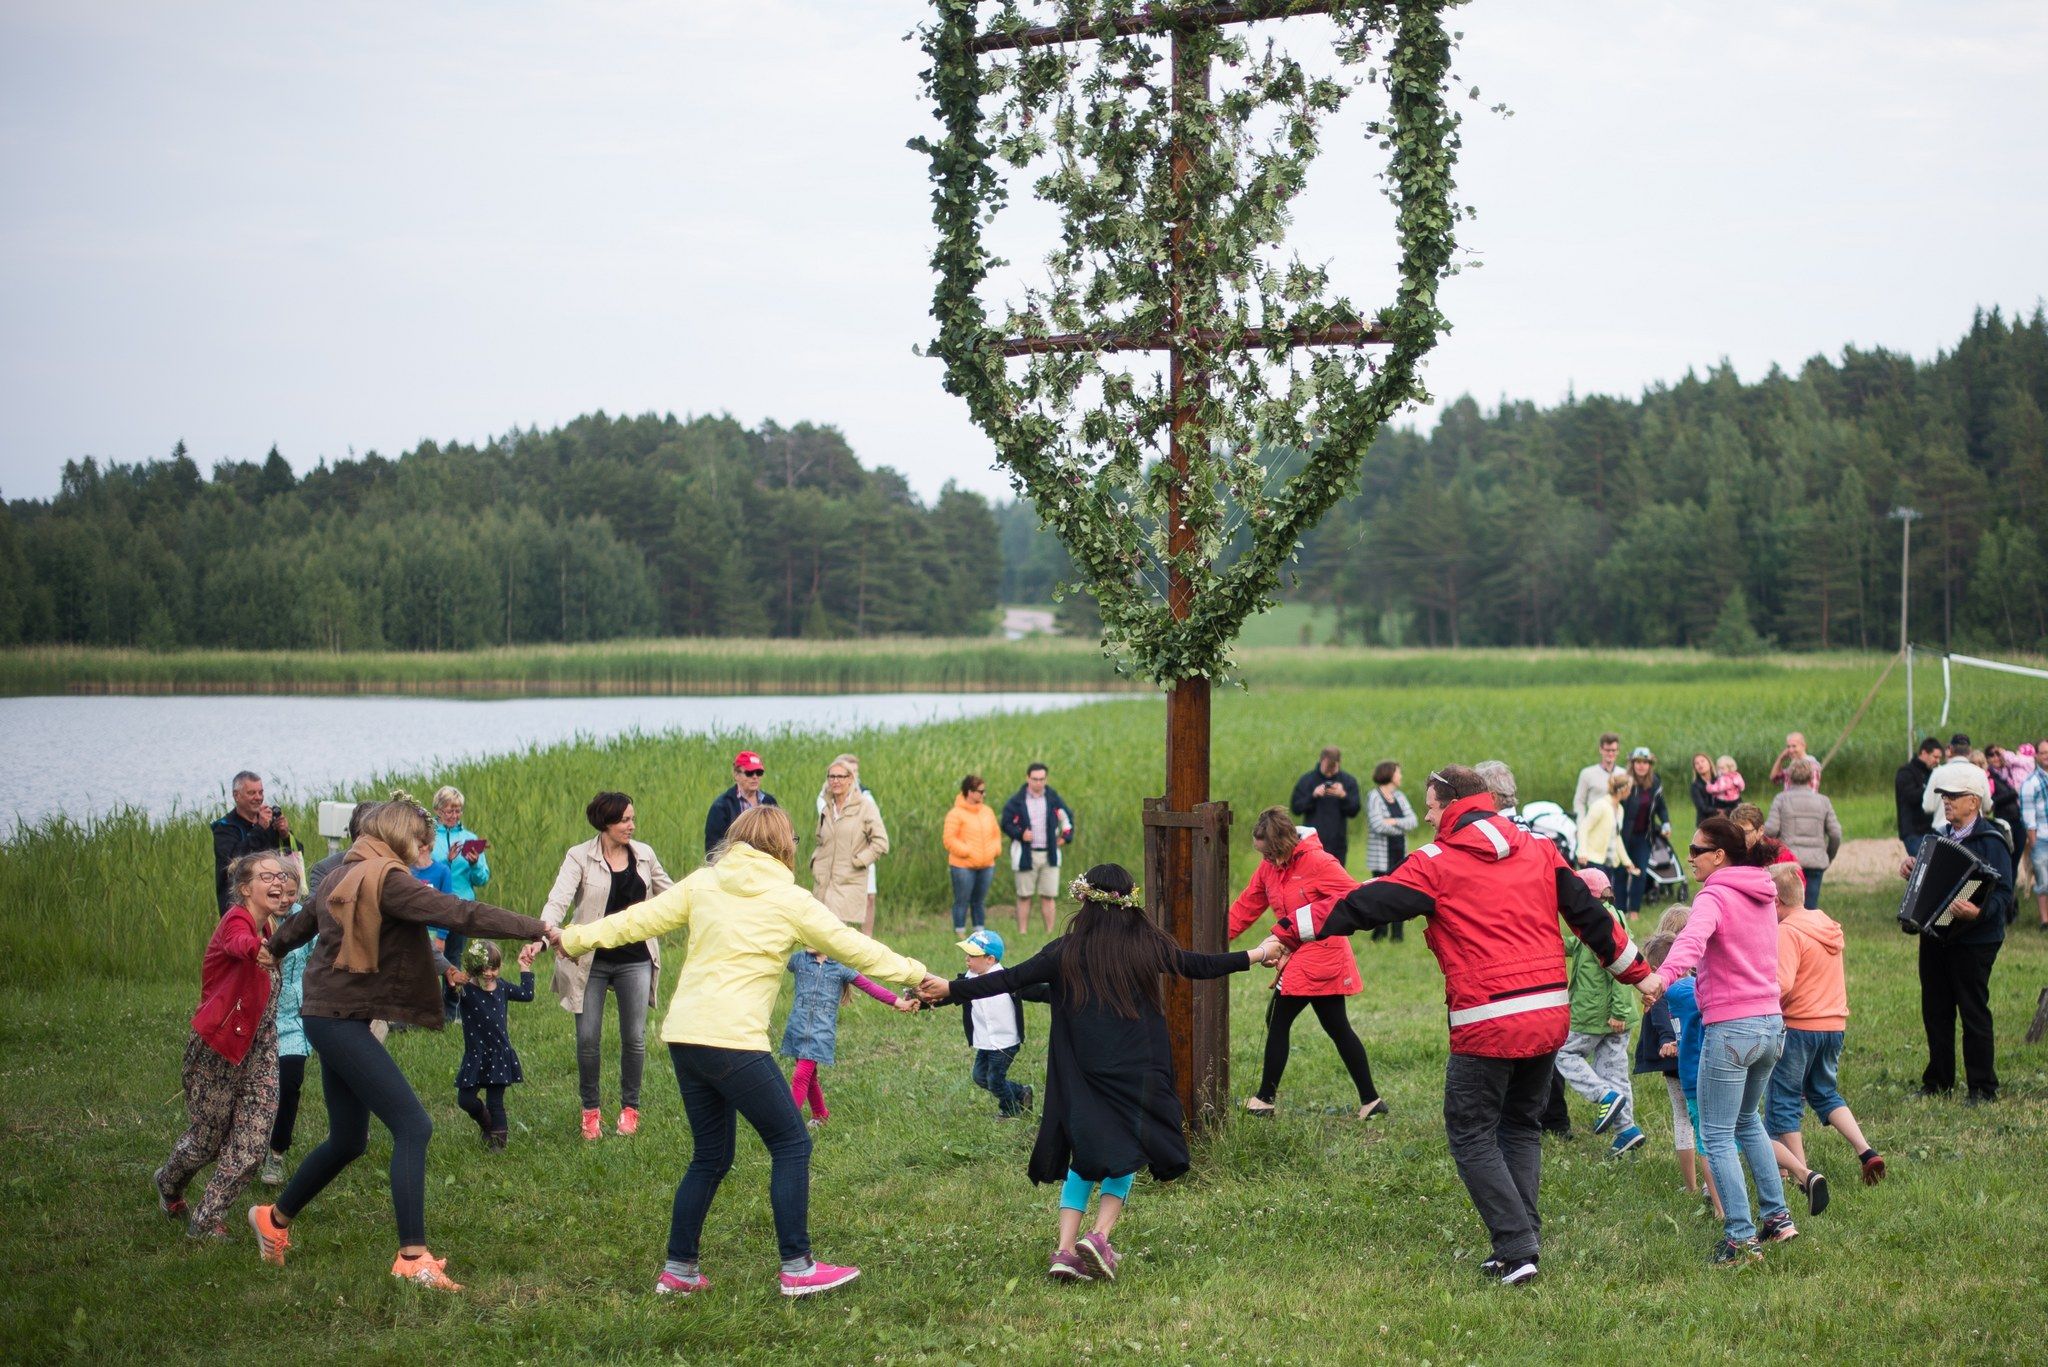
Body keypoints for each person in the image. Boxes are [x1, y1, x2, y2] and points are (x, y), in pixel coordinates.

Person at [1274, 766, 1651, 1287]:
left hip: (1488, 1019)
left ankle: (1518, 1248)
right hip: (1546, 1016)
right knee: (1520, 1126)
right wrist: (1641, 976)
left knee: (1471, 1132)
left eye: (1430, 807)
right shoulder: (1540, 848)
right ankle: (1521, 1244)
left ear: (1452, 805)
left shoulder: (1436, 863)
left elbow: (1365, 903)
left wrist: (1292, 930)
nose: (1426, 817)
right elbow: (1591, 917)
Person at [556, 805, 929, 1298]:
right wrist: (915, 972)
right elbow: (852, 946)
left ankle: (680, 1270)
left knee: (710, 1156)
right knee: (792, 1143)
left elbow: (635, 921)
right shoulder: (789, 899)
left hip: (687, 1039)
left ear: (737, 839)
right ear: (784, 846)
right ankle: (797, 1268)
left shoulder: (702, 883)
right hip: (732, 1043)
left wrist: (574, 937)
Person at [921, 864, 1285, 1283]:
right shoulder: (1147, 944)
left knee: (1085, 1152)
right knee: (1128, 1147)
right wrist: (1258, 953)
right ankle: (1099, 1237)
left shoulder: (1065, 949)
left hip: (1082, 1071)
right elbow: (1198, 965)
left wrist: (950, 990)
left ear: (1085, 903)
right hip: (1137, 1068)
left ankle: (1063, 1250)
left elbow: (1009, 979)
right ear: (1130, 902)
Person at [250, 795, 555, 1293]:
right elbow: (462, 913)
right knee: (414, 1125)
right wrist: (539, 927)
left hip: (328, 1015)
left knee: (349, 1140)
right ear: (399, 837)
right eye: (421, 843)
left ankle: (272, 1219)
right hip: (338, 1021)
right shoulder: (387, 881)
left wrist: (273, 947)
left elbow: (302, 920)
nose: (424, 853)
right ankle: (413, 1258)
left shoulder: (343, 872)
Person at [1640, 816, 1797, 1265]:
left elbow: (1689, 942)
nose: (1687, 858)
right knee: (1748, 1121)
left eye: (1695, 850)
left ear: (1719, 856)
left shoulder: (1714, 895)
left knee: (1716, 1133)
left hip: (1732, 1029)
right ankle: (1778, 1218)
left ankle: (1741, 1237)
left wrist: (1661, 979)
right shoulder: (1762, 892)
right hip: (1770, 1025)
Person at [155, 851, 293, 1238]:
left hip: (261, 1050)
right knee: (206, 1142)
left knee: (251, 1147)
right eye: (266, 876)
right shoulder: (237, 921)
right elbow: (237, 943)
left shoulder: (270, 929)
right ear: (245, 888)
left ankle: (204, 1220)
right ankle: (168, 1184)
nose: (277, 881)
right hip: (218, 1048)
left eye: (280, 875)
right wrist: (258, 952)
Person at [1228, 808, 1383, 1120]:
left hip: (1323, 952)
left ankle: (1264, 1100)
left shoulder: (1320, 863)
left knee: (1279, 1019)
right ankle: (1372, 1101)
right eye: (1262, 854)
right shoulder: (1269, 868)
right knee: (1337, 1027)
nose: (1266, 860)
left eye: (1270, 853)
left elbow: (1353, 899)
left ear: (1285, 844)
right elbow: (1247, 905)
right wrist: (1214, 939)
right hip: (1299, 951)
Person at [540, 791, 675, 1142]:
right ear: (606, 823)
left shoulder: (644, 855)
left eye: (632, 818)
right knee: (587, 1039)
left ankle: (630, 1109)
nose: (632, 825)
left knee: (635, 1038)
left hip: (635, 958)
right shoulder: (579, 857)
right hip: (592, 961)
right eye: (625, 820)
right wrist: (540, 936)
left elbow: (673, 894)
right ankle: (591, 1111)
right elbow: (558, 901)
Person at [1763, 864, 1885, 1213]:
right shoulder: (1825, 924)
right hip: (1833, 1025)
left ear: (1776, 901)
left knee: (1784, 1099)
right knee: (1823, 1091)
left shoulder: (1788, 931)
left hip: (1799, 1026)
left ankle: (1805, 1177)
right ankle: (1866, 1152)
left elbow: (1783, 985)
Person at [1474, 759, 1577, 1140]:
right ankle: (1553, 1119)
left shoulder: (1496, 840)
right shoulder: (1536, 836)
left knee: (1517, 1039)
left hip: (1507, 951)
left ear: (1490, 797)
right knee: (1542, 1040)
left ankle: (1531, 1118)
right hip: (1543, 946)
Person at [1903, 760, 2014, 1104]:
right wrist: (1911, 870)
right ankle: (1939, 1081)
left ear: (1974, 801)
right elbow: (1926, 883)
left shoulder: (1991, 841)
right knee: (1935, 1009)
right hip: (1936, 938)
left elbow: (2005, 897)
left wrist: (1977, 912)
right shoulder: (1937, 839)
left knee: (1973, 1011)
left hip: (1975, 940)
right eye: (1944, 796)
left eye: (1954, 796)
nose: (1947, 801)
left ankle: (1983, 1088)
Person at [1553, 867, 1644, 1156]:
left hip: (1596, 1014)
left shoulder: (1602, 923)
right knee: (1615, 1072)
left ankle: (1602, 1095)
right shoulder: (1604, 918)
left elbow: (1619, 968)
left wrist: (1617, 1009)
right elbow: (1580, 946)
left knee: (1564, 1054)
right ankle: (1625, 1131)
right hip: (1614, 1016)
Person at [781, 948, 918, 1127]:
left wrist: (900, 1002)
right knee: (809, 1076)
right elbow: (773, 960)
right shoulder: (798, 959)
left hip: (820, 1033)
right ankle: (820, 1114)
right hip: (798, 1028)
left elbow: (870, 987)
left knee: (800, 1076)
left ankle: (787, 1126)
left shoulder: (841, 966)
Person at [931, 928, 1047, 1119]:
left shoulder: (1009, 980)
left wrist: (1063, 995)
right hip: (984, 1041)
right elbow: (947, 995)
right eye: (966, 954)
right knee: (979, 1077)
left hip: (1006, 1041)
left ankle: (1010, 1111)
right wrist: (925, 1002)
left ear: (990, 959)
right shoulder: (966, 982)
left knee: (994, 1080)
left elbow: (1039, 991)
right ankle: (1021, 1092)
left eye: (972, 955)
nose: (967, 959)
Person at [1660, 916, 1725, 1221]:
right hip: (1709, 1070)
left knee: (1707, 1141)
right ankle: (1722, 1205)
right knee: (1725, 1135)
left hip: (1691, 1075)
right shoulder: (1686, 988)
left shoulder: (1672, 993)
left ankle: (1719, 1204)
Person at [1632, 933, 1698, 1201]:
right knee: (1707, 1123)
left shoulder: (1661, 993)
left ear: (1657, 970)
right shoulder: (1700, 987)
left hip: (1676, 1066)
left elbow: (1661, 1022)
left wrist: (1669, 1040)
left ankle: (1692, 1185)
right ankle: (1710, 1184)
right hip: (1701, 1062)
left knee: (1684, 1120)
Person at [455, 941, 533, 1150]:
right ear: (473, 968)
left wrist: (524, 968)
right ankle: (485, 1122)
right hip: (476, 1054)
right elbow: (449, 997)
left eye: (494, 968)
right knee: (465, 1099)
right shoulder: (466, 990)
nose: (489, 973)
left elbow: (527, 994)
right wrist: (452, 981)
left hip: (499, 1055)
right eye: (484, 968)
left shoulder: (503, 987)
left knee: (496, 1102)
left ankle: (498, 1146)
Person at [261, 908, 314, 1187]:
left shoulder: (307, 917)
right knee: (259, 1089)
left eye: (290, 892)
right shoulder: (253, 920)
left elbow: (325, 956)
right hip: (260, 1018)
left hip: (295, 1020)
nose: (283, 899)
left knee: (289, 1085)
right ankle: (249, 1145)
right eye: (278, 892)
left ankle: (276, 1152)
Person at [430, 786, 491, 1021]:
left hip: (462, 905)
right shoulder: (429, 838)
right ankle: (428, 1009)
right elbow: (423, 870)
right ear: (437, 810)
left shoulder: (470, 839)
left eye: (458, 811)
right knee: (431, 957)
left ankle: (451, 1010)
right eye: (449, 811)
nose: (454, 815)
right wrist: (447, 860)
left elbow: (482, 879)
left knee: (454, 956)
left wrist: (475, 864)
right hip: (434, 904)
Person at [812, 753, 889, 931]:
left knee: (835, 933)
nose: (836, 781)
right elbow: (821, 838)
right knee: (822, 932)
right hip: (824, 880)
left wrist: (859, 861)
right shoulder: (826, 806)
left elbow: (881, 842)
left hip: (848, 879)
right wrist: (817, 861)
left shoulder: (865, 806)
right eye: (832, 776)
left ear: (851, 779)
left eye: (841, 776)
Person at [1001, 762, 1075, 936]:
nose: (1038, 783)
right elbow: (1006, 823)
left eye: (1042, 779)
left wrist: (1065, 838)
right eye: (1035, 779)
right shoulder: (1017, 801)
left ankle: (1050, 932)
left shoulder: (1053, 799)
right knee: (1024, 895)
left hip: (1049, 854)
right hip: (1025, 854)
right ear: (1028, 778)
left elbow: (1067, 819)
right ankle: (1022, 932)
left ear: (1046, 779)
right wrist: (1020, 834)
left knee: (1048, 895)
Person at [1763, 758, 1842, 910]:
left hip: (1788, 863)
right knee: (1809, 908)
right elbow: (1836, 833)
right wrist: (1828, 856)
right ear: (1812, 777)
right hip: (1815, 861)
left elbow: (1771, 830)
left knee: (1786, 909)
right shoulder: (1823, 801)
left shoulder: (1781, 799)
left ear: (1789, 777)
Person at [212, 771, 291, 914]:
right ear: (236, 795)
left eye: (261, 792)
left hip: (273, 900)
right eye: (252, 793)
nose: (258, 798)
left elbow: (292, 858)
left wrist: (285, 835)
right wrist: (259, 829)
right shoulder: (224, 828)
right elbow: (232, 862)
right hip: (238, 904)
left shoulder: (268, 821)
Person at [1365, 761, 1419, 942]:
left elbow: (1413, 821)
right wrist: (1400, 824)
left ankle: (1397, 935)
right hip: (1382, 856)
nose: (1400, 776)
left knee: (1399, 893)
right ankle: (1379, 933)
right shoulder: (1374, 796)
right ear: (1389, 774)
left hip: (1398, 853)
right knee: (1380, 894)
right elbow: (1377, 825)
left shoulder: (1400, 796)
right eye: (1398, 773)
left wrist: (1394, 822)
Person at [944, 774, 1003, 933]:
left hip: (986, 865)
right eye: (980, 791)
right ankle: (960, 932)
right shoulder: (955, 814)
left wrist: (995, 850)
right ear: (969, 792)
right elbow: (949, 839)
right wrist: (967, 852)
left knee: (979, 901)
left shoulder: (987, 812)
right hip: (963, 866)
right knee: (962, 901)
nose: (983, 794)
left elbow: (996, 834)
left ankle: (979, 932)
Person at [1617, 748, 1671, 917]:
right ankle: (1621, 910)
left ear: (1649, 765)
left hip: (1643, 836)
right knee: (1621, 872)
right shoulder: (1624, 782)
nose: (1641, 766)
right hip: (1622, 836)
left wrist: (1666, 823)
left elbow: (1661, 807)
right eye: (1638, 762)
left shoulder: (1655, 782)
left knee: (1640, 871)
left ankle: (1634, 910)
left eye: (1645, 762)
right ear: (1632, 764)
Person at [1291, 746, 1364, 870]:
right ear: (1322, 761)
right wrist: (1313, 796)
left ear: (1339, 764)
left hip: (1338, 842)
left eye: (1333, 769)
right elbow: (1296, 808)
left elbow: (1354, 810)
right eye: (1327, 769)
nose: (1330, 773)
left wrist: (1343, 796)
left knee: (1336, 880)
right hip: (1312, 843)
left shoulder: (1348, 781)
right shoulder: (1307, 780)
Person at [704, 749, 777, 855]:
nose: (755, 777)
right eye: (749, 773)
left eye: (759, 772)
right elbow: (713, 848)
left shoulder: (770, 802)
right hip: (734, 866)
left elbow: (779, 838)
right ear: (736, 774)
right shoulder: (721, 806)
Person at [1577, 771, 1637, 888]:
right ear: (1622, 789)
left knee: (1607, 898)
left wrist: (1627, 862)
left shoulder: (1620, 810)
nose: (1630, 792)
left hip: (1607, 862)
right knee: (1600, 896)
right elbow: (1584, 827)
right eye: (1629, 789)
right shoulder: (1600, 805)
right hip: (1592, 859)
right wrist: (1582, 852)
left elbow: (1617, 836)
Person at [1896, 737, 1946, 858]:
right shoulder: (1905, 772)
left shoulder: (1934, 773)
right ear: (1924, 753)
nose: (1938, 761)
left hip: (1932, 830)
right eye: (1935, 757)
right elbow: (1911, 797)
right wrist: (1931, 786)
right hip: (1913, 832)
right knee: (1924, 866)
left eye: (1939, 758)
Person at [2020, 743, 2048, 931]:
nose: (2046, 756)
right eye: (2043, 753)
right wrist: (2034, 841)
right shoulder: (2031, 782)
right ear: (2036, 756)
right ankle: (2045, 921)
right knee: (2043, 881)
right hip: (2042, 837)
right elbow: (2028, 815)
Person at [1573, 733, 1622, 820]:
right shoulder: (1587, 773)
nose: (1610, 753)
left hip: (1615, 826)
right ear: (1601, 750)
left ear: (1618, 751)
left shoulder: (1623, 774)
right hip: (1594, 823)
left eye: (1613, 750)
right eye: (1607, 750)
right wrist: (1581, 823)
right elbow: (1579, 801)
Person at [1687, 753, 1721, 825]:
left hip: (1723, 820)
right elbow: (1702, 808)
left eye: (1702, 761)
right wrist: (1719, 811)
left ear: (1710, 763)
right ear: (1695, 768)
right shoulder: (1695, 786)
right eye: (1697, 763)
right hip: (1705, 823)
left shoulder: (1720, 781)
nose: (1700, 764)